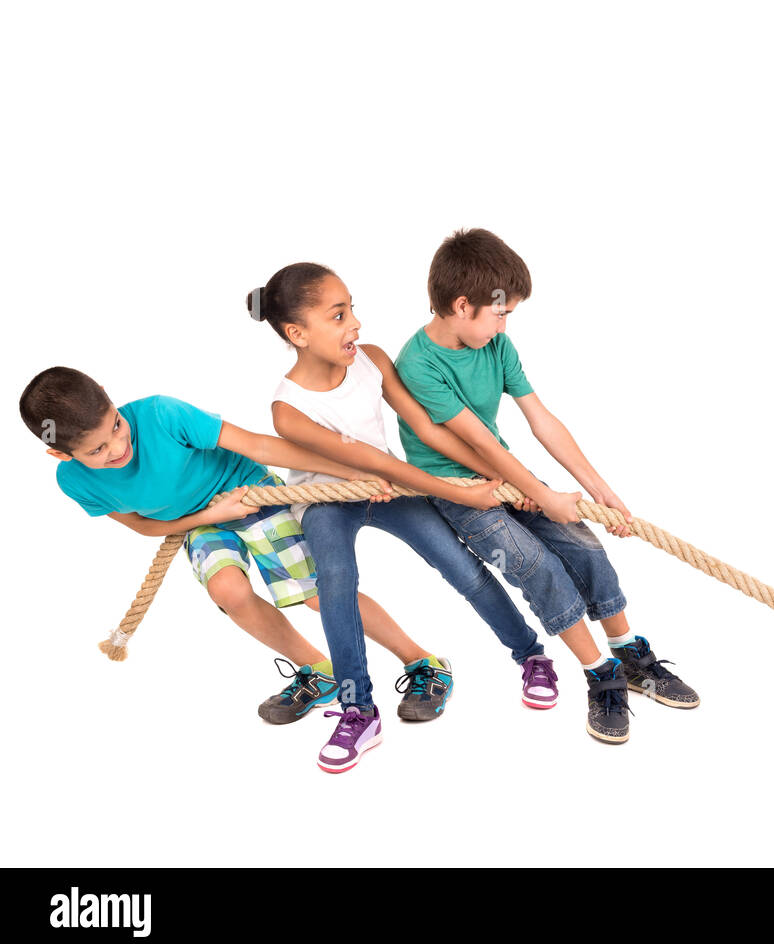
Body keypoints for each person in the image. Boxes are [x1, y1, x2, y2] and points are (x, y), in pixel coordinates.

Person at [394, 228, 700, 745]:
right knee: (534, 563)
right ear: (462, 305)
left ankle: (628, 652)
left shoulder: (498, 345)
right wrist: (541, 493)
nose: (505, 323)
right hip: (460, 490)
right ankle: (600, 673)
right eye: (501, 313)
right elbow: (480, 447)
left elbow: (541, 419)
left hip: (509, 474)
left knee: (582, 542)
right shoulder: (418, 364)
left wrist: (597, 489)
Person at [251, 262, 554, 772]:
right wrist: (458, 492)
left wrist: (507, 481)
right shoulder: (288, 409)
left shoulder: (370, 360)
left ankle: (531, 655)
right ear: (297, 333)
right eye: (338, 315)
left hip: (388, 491)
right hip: (327, 500)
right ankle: (357, 709)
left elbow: (425, 428)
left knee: (460, 565)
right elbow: (374, 461)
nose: (356, 325)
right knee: (335, 583)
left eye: (352, 309)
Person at [20, 366, 416, 725]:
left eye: (116, 426)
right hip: (201, 520)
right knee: (228, 591)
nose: (118, 447)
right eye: (97, 451)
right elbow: (142, 526)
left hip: (251, 493)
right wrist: (207, 518)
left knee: (316, 593)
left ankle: (420, 661)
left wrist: (354, 472)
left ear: (108, 396)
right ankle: (318, 671)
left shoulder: (161, 414)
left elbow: (258, 446)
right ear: (59, 452)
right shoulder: (75, 482)